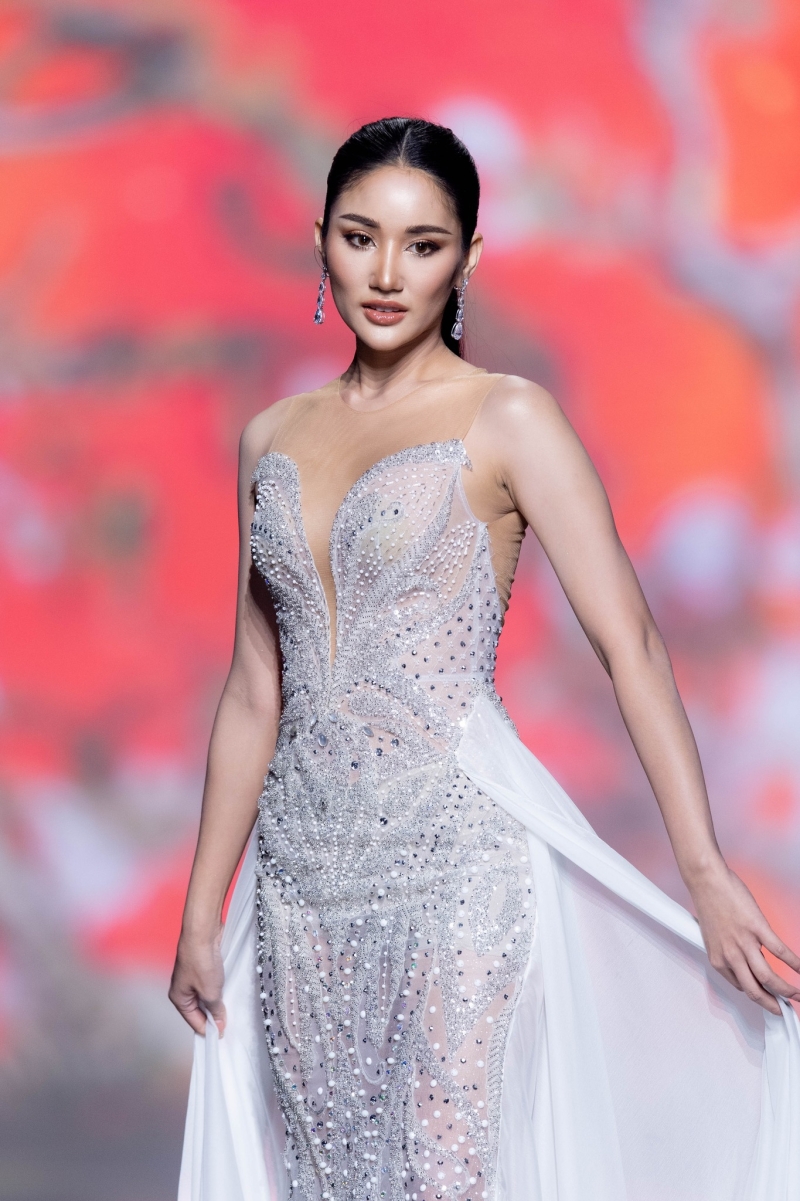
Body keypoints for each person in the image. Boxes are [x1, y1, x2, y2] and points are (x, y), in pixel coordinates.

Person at [171, 118, 800, 1201]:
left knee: (446, 1175)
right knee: (329, 1178)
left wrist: (702, 870)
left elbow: (631, 642)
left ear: (466, 257)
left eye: (422, 245)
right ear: (320, 241)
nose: (386, 272)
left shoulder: (507, 416)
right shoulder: (269, 437)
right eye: (360, 237)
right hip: (297, 886)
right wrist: (199, 911)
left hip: (458, 861)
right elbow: (253, 685)